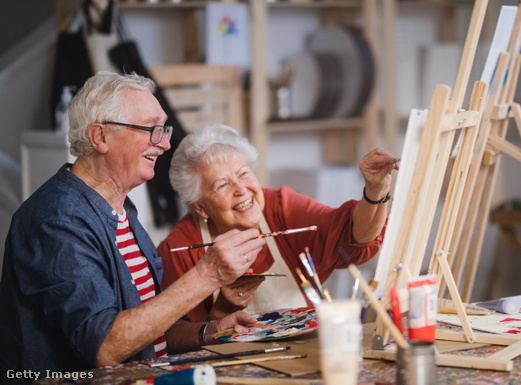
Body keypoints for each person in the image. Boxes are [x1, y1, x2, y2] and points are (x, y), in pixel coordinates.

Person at [0, 72, 264, 378]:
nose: (165, 144)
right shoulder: (56, 219)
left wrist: (207, 332)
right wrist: (208, 274)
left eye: (164, 129)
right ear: (100, 137)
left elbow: (148, 332)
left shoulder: (122, 208)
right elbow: (106, 348)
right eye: (151, 129)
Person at [157, 124, 398, 322]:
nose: (241, 189)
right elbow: (179, 343)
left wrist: (374, 191)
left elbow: (354, 235)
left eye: (243, 173)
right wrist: (223, 309)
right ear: (199, 206)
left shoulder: (279, 206)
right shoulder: (178, 250)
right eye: (222, 185)